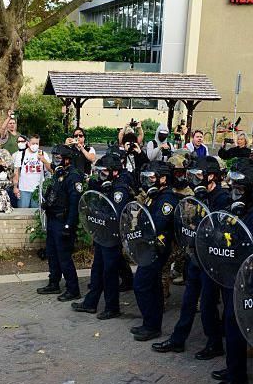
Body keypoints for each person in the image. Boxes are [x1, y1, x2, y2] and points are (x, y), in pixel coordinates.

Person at [152, 156, 229, 356]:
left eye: (198, 175)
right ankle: (178, 339)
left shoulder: (222, 198)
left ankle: (214, 343)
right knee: (188, 301)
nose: (194, 179)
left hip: (211, 260)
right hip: (195, 255)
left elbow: (219, 229)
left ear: (211, 176)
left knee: (207, 304)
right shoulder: (197, 195)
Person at [212, 165, 253, 384]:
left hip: (247, 279)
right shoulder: (239, 208)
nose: (234, 191)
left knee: (236, 324)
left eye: (239, 188)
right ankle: (232, 367)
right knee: (229, 324)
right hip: (232, 274)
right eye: (233, 187)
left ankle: (237, 375)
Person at [72, 153, 133, 320]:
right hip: (101, 234)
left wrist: (98, 212)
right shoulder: (106, 185)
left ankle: (112, 307)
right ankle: (90, 303)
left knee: (110, 273)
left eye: (104, 172)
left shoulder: (119, 189)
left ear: (115, 172)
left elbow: (115, 214)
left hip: (112, 237)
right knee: (97, 269)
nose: (101, 175)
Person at [131, 161, 179, 341]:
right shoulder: (155, 195)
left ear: (163, 178)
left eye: (151, 177)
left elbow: (157, 224)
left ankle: (151, 326)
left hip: (157, 248)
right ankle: (150, 324)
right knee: (153, 286)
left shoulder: (167, 200)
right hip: (149, 246)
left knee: (142, 285)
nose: (148, 181)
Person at [37, 144, 84, 301]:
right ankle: (54, 283)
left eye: (58, 158)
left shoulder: (73, 176)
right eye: (55, 157)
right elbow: (55, 193)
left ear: (67, 160)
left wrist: (69, 225)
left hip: (63, 221)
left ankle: (73, 289)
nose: (56, 161)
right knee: (52, 254)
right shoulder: (59, 173)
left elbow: (74, 204)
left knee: (64, 257)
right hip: (53, 219)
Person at [12, 134, 49, 208]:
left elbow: (50, 169)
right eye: (33, 143)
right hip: (24, 189)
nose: (35, 145)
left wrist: (43, 160)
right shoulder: (21, 154)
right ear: (28, 143)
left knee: (35, 214)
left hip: (38, 190)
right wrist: (15, 187)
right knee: (22, 213)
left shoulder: (43, 154)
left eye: (37, 143)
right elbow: (16, 172)